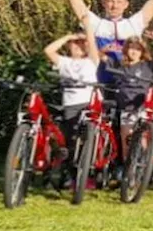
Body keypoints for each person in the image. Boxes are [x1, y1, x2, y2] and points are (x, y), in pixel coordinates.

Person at [43, 26, 99, 187]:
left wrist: (87, 32)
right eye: (74, 44)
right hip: (70, 105)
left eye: (81, 43)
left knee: (83, 140)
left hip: (87, 104)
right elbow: (48, 50)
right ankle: (66, 174)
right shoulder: (64, 62)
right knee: (67, 141)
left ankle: (85, 174)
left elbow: (93, 46)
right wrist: (68, 37)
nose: (78, 46)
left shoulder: (91, 61)